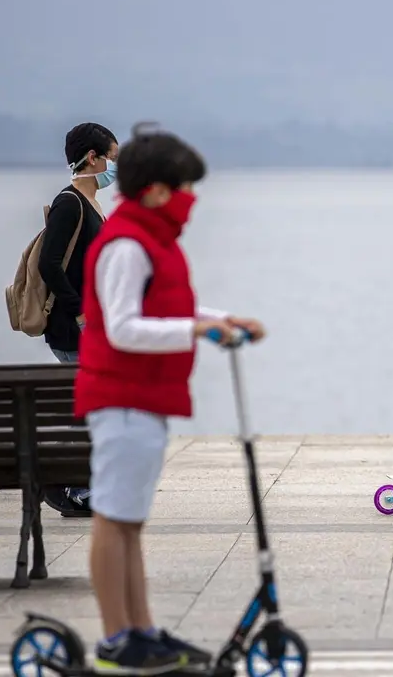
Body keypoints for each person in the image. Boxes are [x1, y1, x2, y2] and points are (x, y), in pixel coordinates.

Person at [74, 124, 265, 673]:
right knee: (113, 517)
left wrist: (219, 319)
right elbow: (123, 328)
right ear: (158, 189)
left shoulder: (151, 239)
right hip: (123, 397)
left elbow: (167, 310)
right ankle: (117, 640)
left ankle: (141, 629)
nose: (191, 200)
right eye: (184, 187)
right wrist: (197, 332)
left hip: (147, 397)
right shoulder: (128, 244)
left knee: (129, 519)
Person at [39, 122, 117, 517]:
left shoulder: (90, 204)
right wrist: (81, 311)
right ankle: (62, 481)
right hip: (73, 329)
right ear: (93, 157)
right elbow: (48, 265)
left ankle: (69, 483)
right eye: (112, 158)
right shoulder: (70, 202)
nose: (114, 169)